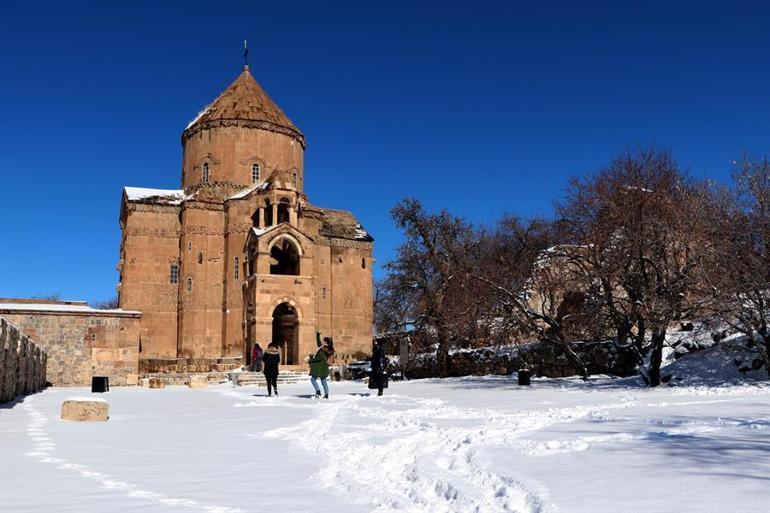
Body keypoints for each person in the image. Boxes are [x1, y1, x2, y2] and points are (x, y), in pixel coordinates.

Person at [309, 331, 334, 399]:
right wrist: (317, 336)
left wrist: (311, 360)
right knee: (323, 381)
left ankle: (318, 391)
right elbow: (319, 344)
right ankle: (326, 394)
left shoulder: (323, 350)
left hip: (320, 367)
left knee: (313, 379)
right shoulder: (326, 348)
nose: (322, 342)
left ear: (325, 342)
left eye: (323, 341)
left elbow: (320, 357)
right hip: (324, 367)